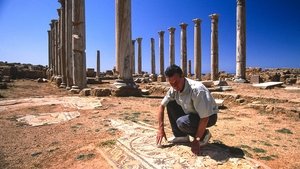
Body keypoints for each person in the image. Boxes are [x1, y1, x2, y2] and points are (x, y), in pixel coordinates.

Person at [156, 64, 218, 155]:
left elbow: (205, 118)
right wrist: (160, 129)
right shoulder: (174, 88)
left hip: (209, 116)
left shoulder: (197, 90)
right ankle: (181, 135)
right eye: (171, 83)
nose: (174, 86)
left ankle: (204, 135)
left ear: (182, 76)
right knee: (170, 103)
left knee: (182, 122)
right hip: (192, 114)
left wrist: (196, 140)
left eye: (176, 82)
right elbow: (161, 106)